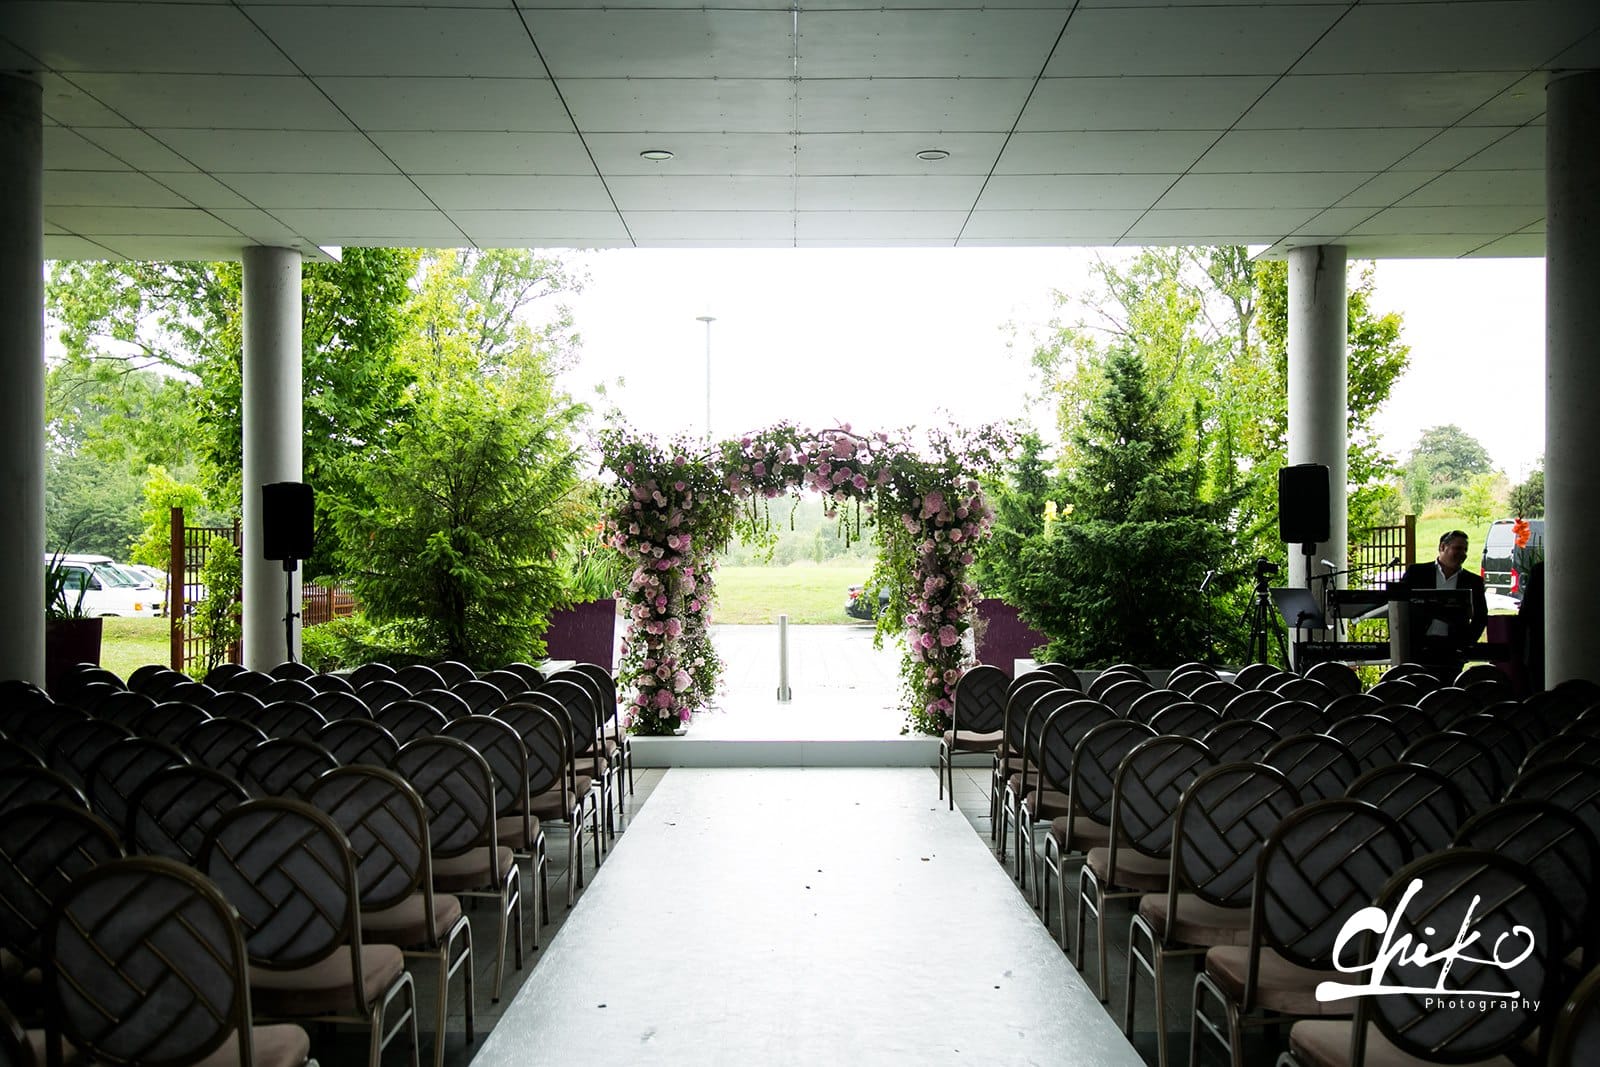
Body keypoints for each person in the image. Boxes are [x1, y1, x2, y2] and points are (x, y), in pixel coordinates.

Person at [1398, 529, 1489, 677]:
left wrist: (1467, 643)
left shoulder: (1473, 581)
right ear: (1442, 547)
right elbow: (1399, 606)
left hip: (1452, 649)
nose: (1462, 554)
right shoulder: (1417, 573)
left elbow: (1481, 616)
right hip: (1418, 647)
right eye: (1457, 548)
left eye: (1465, 550)